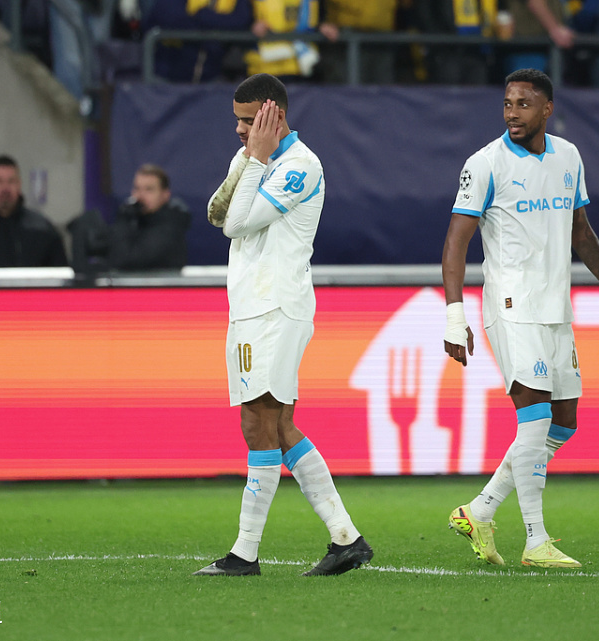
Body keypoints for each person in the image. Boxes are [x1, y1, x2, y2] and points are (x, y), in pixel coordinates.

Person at [441, 68, 599, 568]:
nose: (512, 113)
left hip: (555, 309)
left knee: (564, 422)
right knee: (533, 421)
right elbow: (456, 242)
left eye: (523, 104)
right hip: (511, 306)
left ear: (547, 109)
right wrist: (454, 314)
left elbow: (580, 230)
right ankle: (536, 541)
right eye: (508, 103)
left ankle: (480, 510)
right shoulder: (485, 163)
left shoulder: (568, 157)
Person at [194, 73, 372, 577]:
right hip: (253, 307)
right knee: (280, 425)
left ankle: (244, 554)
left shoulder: (299, 166)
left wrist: (254, 160)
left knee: (258, 424)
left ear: (274, 114)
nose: (240, 129)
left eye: (249, 120)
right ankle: (346, 538)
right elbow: (216, 213)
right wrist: (248, 159)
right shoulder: (252, 158)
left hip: (274, 308)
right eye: (237, 120)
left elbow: (236, 225)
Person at [69, 164, 192, 271]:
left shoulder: (171, 225)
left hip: (162, 289)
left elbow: (126, 261)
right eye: (137, 188)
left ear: (165, 195)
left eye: (149, 189)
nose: (140, 195)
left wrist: (123, 220)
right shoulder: (136, 220)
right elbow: (110, 251)